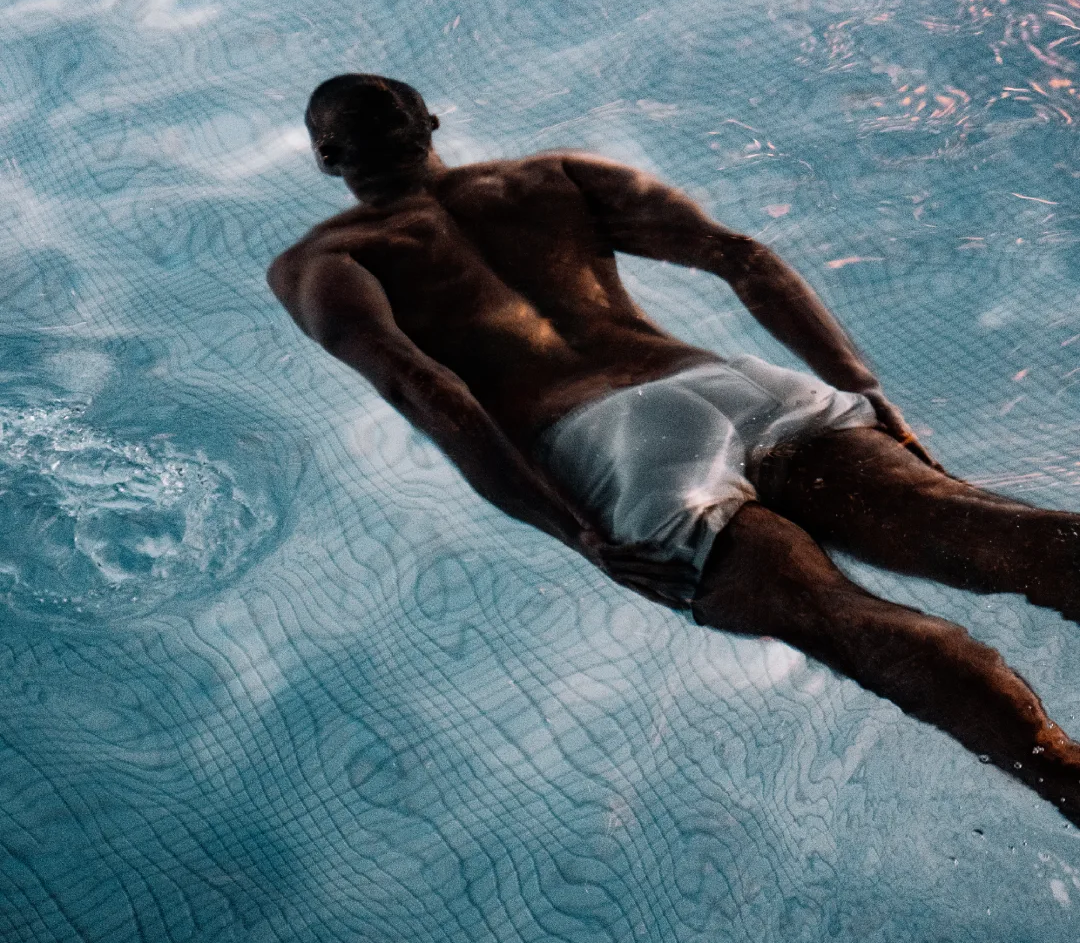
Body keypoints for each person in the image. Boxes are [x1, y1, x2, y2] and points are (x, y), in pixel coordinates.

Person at [269, 73, 1080, 824]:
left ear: (326, 157)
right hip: (738, 388)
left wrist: (577, 533)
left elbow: (427, 389)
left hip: (616, 441)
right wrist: (867, 392)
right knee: (986, 528)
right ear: (431, 125)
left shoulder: (324, 263)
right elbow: (744, 258)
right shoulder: (558, 178)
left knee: (845, 619)